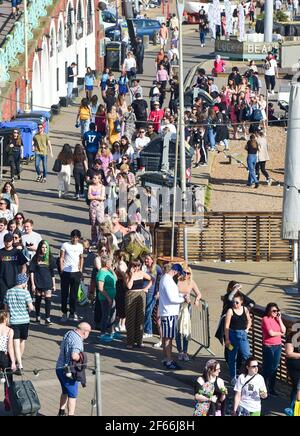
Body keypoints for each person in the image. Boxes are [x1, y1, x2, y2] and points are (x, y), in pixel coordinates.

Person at [56, 322, 91, 416]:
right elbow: (74, 356)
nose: (89, 334)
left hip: (59, 368)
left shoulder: (69, 333)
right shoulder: (77, 341)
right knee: (73, 395)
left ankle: (61, 412)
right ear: (84, 332)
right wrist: (82, 358)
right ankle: (71, 414)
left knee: (65, 391)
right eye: (89, 332)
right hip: (68, 372)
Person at [159, 263, 189, 370]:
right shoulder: (167, 280)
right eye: (179, 274)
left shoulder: (166, 279)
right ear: (175, 271)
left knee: (166, 337)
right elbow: (172, 299)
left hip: (167, 312)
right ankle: (168, 360)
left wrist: (181, 295)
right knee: (168, 338)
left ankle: (166, 358)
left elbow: (173, 295)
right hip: (169, 312)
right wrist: (183, 299)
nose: (179, 277)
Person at [4, 273, 34, 375]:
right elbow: (31, 308)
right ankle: (18, 362)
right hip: (24, 320)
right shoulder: (25, 293)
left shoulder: (8, 292)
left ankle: (18, 363)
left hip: (14, 321)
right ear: (24, 282)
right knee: (22, 341)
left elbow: (6, 308)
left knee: (15, 343)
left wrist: (8, 318)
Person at [224, 291, 252, 385]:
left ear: (241, 302)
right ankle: (233, 377)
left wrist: (247, 330)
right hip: (233, 335)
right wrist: (227, 339)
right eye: (234, 302)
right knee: (232, 357)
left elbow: (249, 321)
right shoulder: (230, 311)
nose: (235, 304)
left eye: (237, 302)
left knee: (246, 355)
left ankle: (248, 375)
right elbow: (226, 326)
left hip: (243, 335)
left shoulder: (245, 309)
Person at [176, 266, 201, 361]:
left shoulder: (191, 282)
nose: (186, 275)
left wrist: (197, 300)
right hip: (177, 306)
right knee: (177, 330)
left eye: (188, 273)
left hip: (187, 307)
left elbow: (198, 293)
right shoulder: (177, 280)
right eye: (184, 272)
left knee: (186, 329)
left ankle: (185, 352)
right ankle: (180, 351)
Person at [125, 260, 151, 349]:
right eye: (134, 266)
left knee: (140, 318)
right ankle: (130, 342)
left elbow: (152, 279)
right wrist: (132, 275)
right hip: (131, 295)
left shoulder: (142, 273)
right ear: (131, 266)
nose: (136, 268)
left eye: (138, 266)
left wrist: (146, 288)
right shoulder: (127, 273)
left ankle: (139, 341)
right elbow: (129, 286)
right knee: (130, 319)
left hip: (141, 294)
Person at [29, 240, 56, 325]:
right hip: (38, 282)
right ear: (40, 248)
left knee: (48, 300)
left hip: (48, 282)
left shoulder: (50, 258)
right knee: (38, 300)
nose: (44, 249)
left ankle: (47, 318)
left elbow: (52, 272)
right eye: (43, 247)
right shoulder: (36, 257)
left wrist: (54, 284)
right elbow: (32, 271)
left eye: (46, 247)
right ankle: (37, 317)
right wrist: (33, 284)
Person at [59, 229, 84, 322]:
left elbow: (81, 258)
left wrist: (80, 269)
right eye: (73, 237)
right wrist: (62, 269)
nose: (75, 239)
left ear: (79, 238)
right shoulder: (65, 245)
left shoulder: (80, 246)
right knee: (64, 294)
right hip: (66, 272)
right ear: (71, 237)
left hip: (76, 272)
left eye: (77, 237)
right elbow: (61, 257)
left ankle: (72, 312)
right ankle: (64, 312)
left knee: (74, 295)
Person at [262, 303, 286, 396]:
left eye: (277, 311)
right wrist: (280, 333)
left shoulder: (276, 319)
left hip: (278, 346)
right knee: (267, 368)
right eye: (274, 311)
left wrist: (279, 319)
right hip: (268, 346)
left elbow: (284, 330)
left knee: (275, 368)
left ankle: (271, 388)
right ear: (268, 311)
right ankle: (263, 388)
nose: (276, 312)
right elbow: (271, 333)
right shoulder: (265, 319)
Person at [0, 233, 27, 310]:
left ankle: (14, 321)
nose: (7, 243)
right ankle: (4, 321)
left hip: (15, 282)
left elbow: (24, 266)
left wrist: (21, 279)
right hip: (2, 282)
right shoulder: (0, 252)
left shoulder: (17, 252)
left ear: (12, 241)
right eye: (6, 241)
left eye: (9, 241)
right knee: (3, 304)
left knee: (15, 303)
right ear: (4, 241)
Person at [97, 256, 117, 342]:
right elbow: (100, 288)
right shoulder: (101, 272)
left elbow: (115, 279)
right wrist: (108, 298)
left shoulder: (109, 271)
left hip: (112, 296)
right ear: (106, 263)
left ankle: (112, 331)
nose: (111, 263)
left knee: (113, 313)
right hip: (105, 298)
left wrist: (112, 270)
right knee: (106, 315)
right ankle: (102, 333)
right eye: (110, 262)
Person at [143, 254, 162, 338]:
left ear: (152, 260)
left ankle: (148, 331)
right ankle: (146, 329)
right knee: (145, 311)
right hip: (143, 292)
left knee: (148, 311)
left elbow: (159, 281)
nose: (146, 260)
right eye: (145, 259)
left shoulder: (157, 268)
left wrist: (158, 292)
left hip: (152, 293)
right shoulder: (143, 267)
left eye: (147, 259)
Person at [0, 310, 16, 411]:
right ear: (5, 318)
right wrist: (13, 361)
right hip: (4, 356)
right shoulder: (9, 330)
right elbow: (10, 347)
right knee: (8, 380)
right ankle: (7, 402)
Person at [88, 174, 106, 245]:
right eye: (93, 178)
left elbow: (102, 198)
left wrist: (94, 197)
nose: (93, 179)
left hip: (100, 206)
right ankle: (94, 239)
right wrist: (97, 197)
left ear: (99, 179)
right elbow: (89, 197)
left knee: (100, 222)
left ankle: (100, 238)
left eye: (95, 178)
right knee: (93, 222)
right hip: (92, 206)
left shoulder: (102, 187)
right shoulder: (91, 186)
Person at [286, 328, 300, 404]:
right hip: (294, 367)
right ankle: (293, 407)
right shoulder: (291, 338)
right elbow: (289, 353)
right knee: (296, 387)